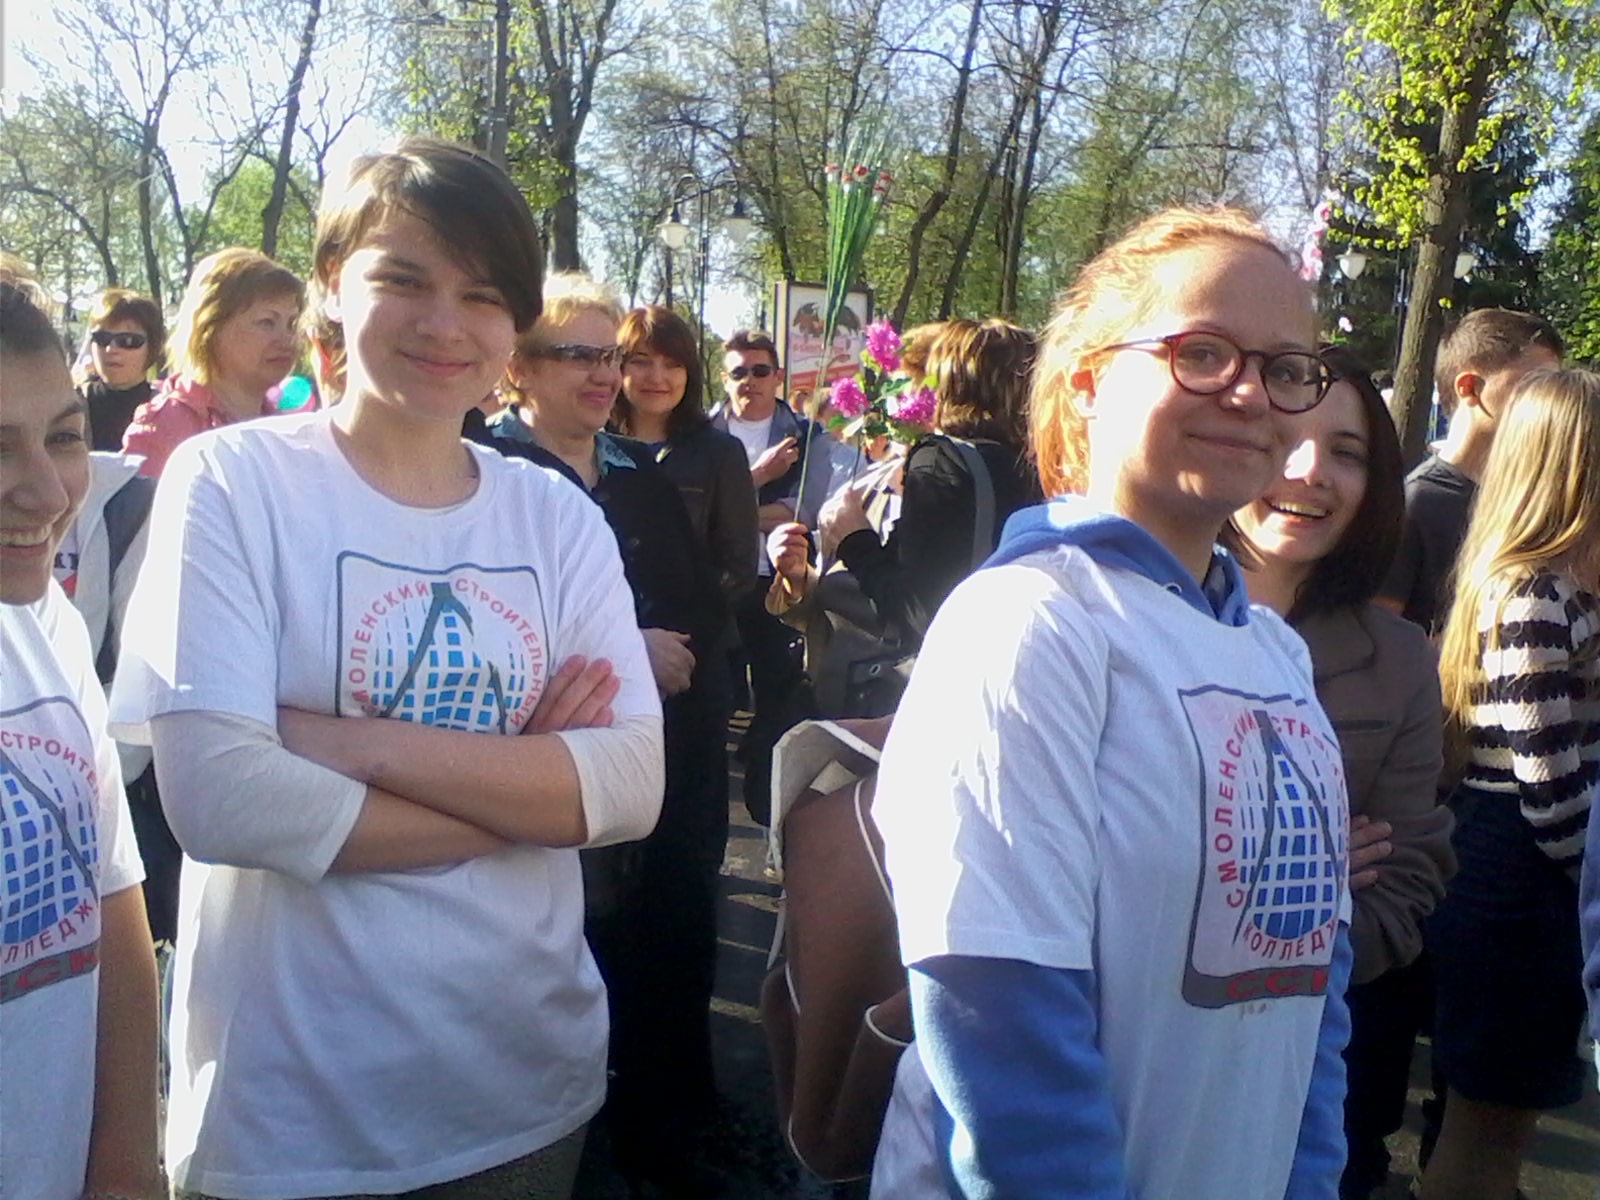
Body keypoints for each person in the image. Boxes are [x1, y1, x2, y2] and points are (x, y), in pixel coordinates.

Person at [108, 138, 664, 1199]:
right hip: (290, 1113)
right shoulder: (234, 482)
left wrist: (340, 742)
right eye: (404, 280)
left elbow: (631, 787)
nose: (444, 325)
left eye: (482, 295)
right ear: (332, 283)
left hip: (524, 1087)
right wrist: (532, 793)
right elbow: (225, 801)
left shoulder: (553, 515)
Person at [867, 208, 1352, 1198]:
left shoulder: (1276, 655)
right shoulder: (1029, 624)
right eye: (1201, 353)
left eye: (1285, 367)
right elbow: (998, 1017)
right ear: (1088, 382)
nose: (1250, 394)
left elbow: (1313, 998)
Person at [477, 275, 731, 1197]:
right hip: (549, 764)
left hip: (669, 749)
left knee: (674, 929)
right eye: (575, 355)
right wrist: (630, 649)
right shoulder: (487, 473)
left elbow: (701, 598)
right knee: (574, 944)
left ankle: (670, 1120)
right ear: (518, 368)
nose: (602, 375)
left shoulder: (639, 474)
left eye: (609, 356)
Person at [1230, 344, 1454, 1200]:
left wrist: (1286, 934)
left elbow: (1409, 876)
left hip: (1314, 1068)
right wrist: (1301, 867)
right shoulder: (1128, 623)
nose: (1311, 471)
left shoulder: (1399, 659)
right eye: (1285, 439)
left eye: (1348, 452)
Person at [1418, 366, 1600, 1200]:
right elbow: (1550, 790)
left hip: (1539, 870)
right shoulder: (1531, 593)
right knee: (1485, 1123)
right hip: (1519, 874)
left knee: (1508, 1118)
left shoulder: (1566, 587)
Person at [1, 280, 163, 1199]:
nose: (47, 489)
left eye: (63, 436)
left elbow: (111, 900)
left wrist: (128, 1166)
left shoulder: (46, 625)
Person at [810, 318, 1043, 647]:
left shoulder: (942, 459)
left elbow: (919, 610)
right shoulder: (1044, 466)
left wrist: (855, 540)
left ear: (948, 380)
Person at [1379, 308, 1563, 632]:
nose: (1550, 402)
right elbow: (1380, 638)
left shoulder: (1530, 498)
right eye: (1535, 385)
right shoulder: (1416, 503)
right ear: (1470, 388)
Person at [712, 329, 829, 822]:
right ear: (724, 379)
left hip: (778, 585)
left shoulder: (805, 435)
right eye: (739, 372)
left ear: (778, 376)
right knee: (716, 695)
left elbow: (802, 509)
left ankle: (768, 804)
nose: (750, 381)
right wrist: (757, 477)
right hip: (716, 584)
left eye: (760, 371)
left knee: (777, 694)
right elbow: (688, 514)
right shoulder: (704, 434)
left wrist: (724, 512)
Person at [614, 304, 759, 610]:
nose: (657, 377)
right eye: (641, 361)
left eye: (672, 365)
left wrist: (680, 622)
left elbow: (738, 569)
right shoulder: (590, 447)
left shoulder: (721, 454)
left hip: (693, 633)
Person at [121, 248, 305, 476]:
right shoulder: (165, 427)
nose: (287, 339)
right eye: (267, 322)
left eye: (292, 324)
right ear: (210, 328)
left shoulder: (286, 428)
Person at [79, 288, 165, 451]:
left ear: (153, 347)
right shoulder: (70, 405)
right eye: (102, 338)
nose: (111, 349)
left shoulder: (168, 410)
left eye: (128, 341)